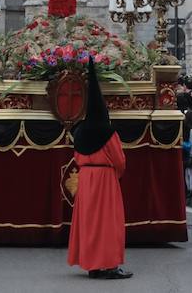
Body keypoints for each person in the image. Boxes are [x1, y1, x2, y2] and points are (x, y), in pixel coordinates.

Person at [67, 62, 130, 280]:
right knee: (108, 222)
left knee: (89, 222)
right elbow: (120, 161)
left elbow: (76, 157)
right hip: (105, 179)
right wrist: (114, 174)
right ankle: (109, 265)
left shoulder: (79, 131)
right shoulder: (108, 132)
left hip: (86, 178)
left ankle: (92, 265)